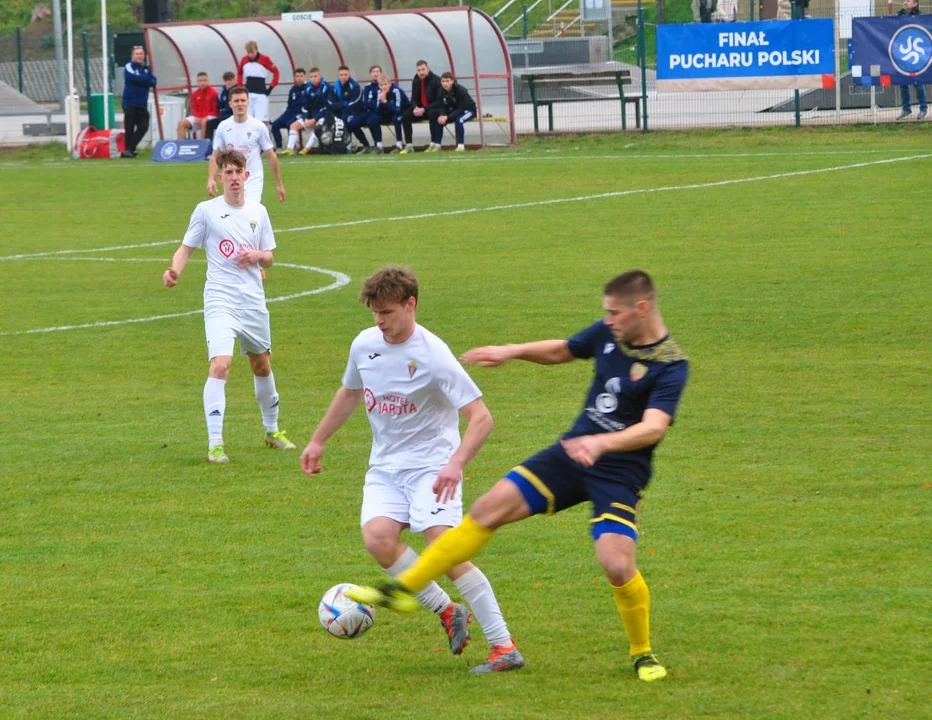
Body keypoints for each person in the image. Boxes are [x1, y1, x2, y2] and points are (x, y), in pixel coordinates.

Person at [347, 270, 689, 684]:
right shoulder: (608, 332)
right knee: (487, 509)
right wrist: (512, 350)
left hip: (619, 471)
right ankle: (403, 592)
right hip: (569, 455)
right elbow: (563, 350)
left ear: (642, 308)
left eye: (615, 313)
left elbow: (654, 427)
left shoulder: (670, 365)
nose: (608, 321)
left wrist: (602, 445)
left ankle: (643, 653)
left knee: (616, 564)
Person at [301, 267, 524, 674]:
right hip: (385, 466)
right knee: (378, 539)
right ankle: (445, 610)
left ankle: (503, 646)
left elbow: (481, 417)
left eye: (387, 311)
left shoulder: (434, 355)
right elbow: (351, 392)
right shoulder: (364, 345)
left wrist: (456, 464)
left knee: (444, 547)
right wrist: (318, 440)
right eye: (374, 312)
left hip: (432, 467)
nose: (379, 321)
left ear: (411, 305)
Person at [163, 149, 296, 464]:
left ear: (246, 176)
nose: (234, 178)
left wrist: (257, 256)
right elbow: (186, 248)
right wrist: (174, 271)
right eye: (228, 173)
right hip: (220, 298)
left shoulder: (258, 212)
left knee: (261, 365)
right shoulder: (206, 211)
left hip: (252, 300)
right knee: (220, 365)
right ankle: (215, 443)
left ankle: (272, 431)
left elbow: (270, 257)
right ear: (220, 177)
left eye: (239, 172)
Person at [209, 87, 285, 205]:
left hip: (252, 179)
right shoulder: (223, 127)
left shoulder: (258, 127)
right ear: (230, 104)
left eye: (243, 100)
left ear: (248, 102)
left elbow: (271, 156)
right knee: (233, 213)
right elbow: (214, 156)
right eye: (236, 101)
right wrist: (211, 179)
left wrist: (279, 184)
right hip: (231, 179)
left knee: (249, 212)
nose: (240, 104)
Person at [283, 67, 331, 155]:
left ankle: (306, 149)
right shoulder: (308, 88)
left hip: (323, 116)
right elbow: (304, 106)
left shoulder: (326, 88)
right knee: (293, 125)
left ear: (320, 76)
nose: (313, 79)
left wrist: (314, 119)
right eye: (311, 77)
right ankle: (289, 149)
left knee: (318, 127)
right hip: (310, 117)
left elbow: (326, 107)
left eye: (315, 76)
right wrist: (306, 119)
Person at [120, 45, 157, 158]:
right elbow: (133, 78)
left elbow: (153, 81)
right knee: (129, 127)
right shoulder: (129, 66)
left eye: (141, 53)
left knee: (144, 126)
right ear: (132, 55)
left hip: (142, 103)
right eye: (137, 54)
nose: (139, 56)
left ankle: (130, 148)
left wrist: (144, 78)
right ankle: (128, 150)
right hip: (130, 102)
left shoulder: (146, 68)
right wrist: (145, 79)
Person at [399, 60, 443, 155]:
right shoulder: (415, 80)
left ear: (428, 69)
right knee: (405, 115)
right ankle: (409, 145)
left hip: (432, 109)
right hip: (421, 110)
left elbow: (439, 101)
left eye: (423, 69)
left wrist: (424, 109)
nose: (421, 72)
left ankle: (433, 143)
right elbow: (414, 98)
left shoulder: (436, 80)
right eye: (418, 70)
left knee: (432, 114)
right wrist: (415, 108)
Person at [430, 73, 477, 153]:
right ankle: (437, 146)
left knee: (459, 120)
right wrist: (442, 115)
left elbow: (461, 108)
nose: (445, 83)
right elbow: (441, 106)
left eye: (447, 81)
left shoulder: (461, 90)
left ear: (452, 81)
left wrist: (447, 117)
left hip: (468, 110)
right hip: (455, 110)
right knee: (439, 120)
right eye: (443, 81)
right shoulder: (440, 91)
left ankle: (461, 146)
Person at [897, 0, 928, 121]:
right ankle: (906, 109)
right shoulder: (899, 16)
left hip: (916, 53)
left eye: (908, 0)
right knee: (902, 82)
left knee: (918, 82)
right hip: (902, 53)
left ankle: (923, 108)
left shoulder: (920, 16)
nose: (905, 2)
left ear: (915, 4)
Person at [236, 40, 280, 125]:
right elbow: (239, 73)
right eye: (248, 53)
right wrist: (240, 87)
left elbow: (276, 72)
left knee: (262, 121)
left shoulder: (265, 59)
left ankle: (265, 137)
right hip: (248, 94)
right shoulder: (244, 60)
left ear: (256, 50)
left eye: (252, 52)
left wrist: (271, 87)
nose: (250, 55)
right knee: (248, 120)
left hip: (261, 93)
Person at [330, 65, 369, 152]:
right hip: (340, 113)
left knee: (350, 122)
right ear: (338, 75)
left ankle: (365, 145)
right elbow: (331, 104)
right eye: (341, 75)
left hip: (356, 112)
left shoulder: (355, 86)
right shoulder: (334, 87)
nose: (343, 77)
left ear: (349, 74)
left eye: (345, 74)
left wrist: (340, 106)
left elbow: (354, 103)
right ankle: (337, 146)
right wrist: (343, 104)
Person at [270, 67, 307, 150]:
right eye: (297, 76)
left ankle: (292, 147)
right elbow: (289, 104)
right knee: (275, 124)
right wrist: (286, 113)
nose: (299, 78)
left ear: (305, 77)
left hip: (301, 112)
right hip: (291, 111)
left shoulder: (308, 88)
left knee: (289, 124)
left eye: (301, 76)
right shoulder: (293, 89)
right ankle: (279, 147)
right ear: (294, 78)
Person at [177, 71, 219, 140]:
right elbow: (194, 109)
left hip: (210, 116)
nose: (202, 83)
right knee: (181, 123)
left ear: (208, 81)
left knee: (204, 122)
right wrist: (197, 117)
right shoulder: (195, 94)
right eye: (200, 81)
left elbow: (215, 110)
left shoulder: (213, 93)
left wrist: (203, 118)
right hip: (198, 117)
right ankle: (181, 145)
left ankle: (202, 145)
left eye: (204, 80)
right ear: (197, 82)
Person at [375, 74, 410, 154]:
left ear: (390, 84)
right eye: (381, 85)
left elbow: (397, 110)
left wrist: (386, 102)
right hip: (390, 112)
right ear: (379, 86)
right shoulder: (379, 92)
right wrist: (381, 101)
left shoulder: (396, 91)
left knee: (396, 118)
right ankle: (379, 146)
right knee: (375, 119)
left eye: (386, 84)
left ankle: (399, 145)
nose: (384, 87)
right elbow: (377, 112)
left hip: (402, 111)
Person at [354, 65, 384, 154]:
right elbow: (365, 103)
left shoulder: (384, 85)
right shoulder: (367, 87)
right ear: (370, 74)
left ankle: (378, 146)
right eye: (373, 72)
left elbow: (382, 102)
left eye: (377, 71)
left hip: (382, 112)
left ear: (381, 73)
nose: (376, 74)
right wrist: (373, 103)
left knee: (372, 120)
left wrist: (373, 103)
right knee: (352, 122)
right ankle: (366, 145)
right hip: (369, 112)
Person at [205, 71, 236, 142]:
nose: (229, 82)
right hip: (223, 117)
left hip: (234, 117)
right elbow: (219, 105)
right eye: (227, 80)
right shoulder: (222, 92)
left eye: (230, 80)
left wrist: (225, 110)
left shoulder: (237, 91)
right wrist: (223, 110)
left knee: (225, 124)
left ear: (234, 80)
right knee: (210, 123)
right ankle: (208, 145)